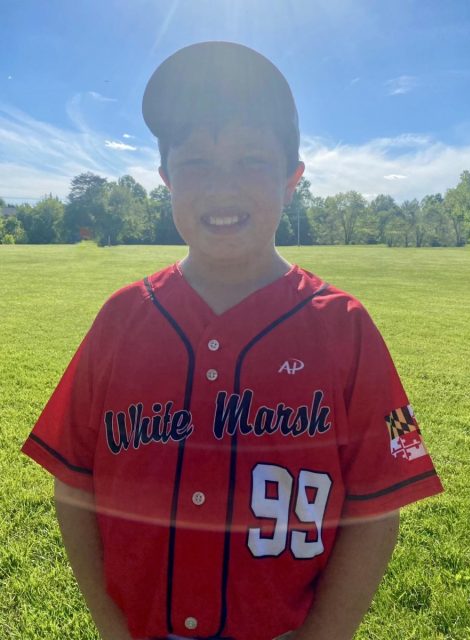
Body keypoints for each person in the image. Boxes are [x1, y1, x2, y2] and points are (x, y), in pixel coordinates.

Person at [21, 41, 443, 640]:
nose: (221, 187)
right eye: (195, 164)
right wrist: (110, 625)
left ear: (292, 180)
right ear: (165, 179)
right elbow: (73, 480)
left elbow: (380, 504)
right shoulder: (119, 319)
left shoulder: (348, 326)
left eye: (250, 160)